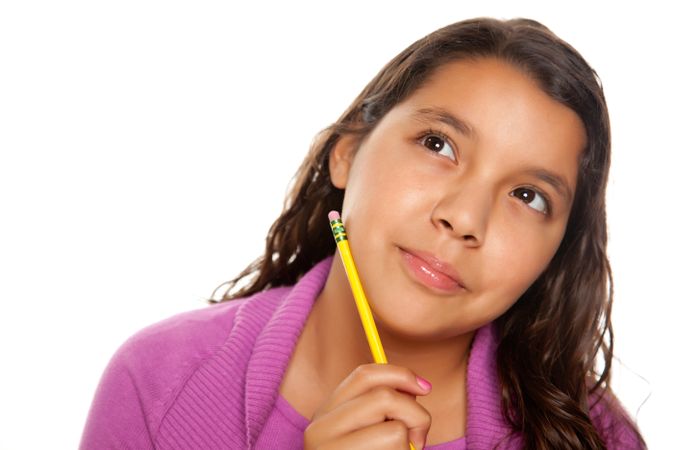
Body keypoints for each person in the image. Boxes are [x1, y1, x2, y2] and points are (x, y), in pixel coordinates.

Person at [80, 17, 645, 449]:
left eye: (528, 197)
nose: (465, 219)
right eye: (439, 145)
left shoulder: (595, 437)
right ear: (347, 154)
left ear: (558, 252)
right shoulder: (158, 381)